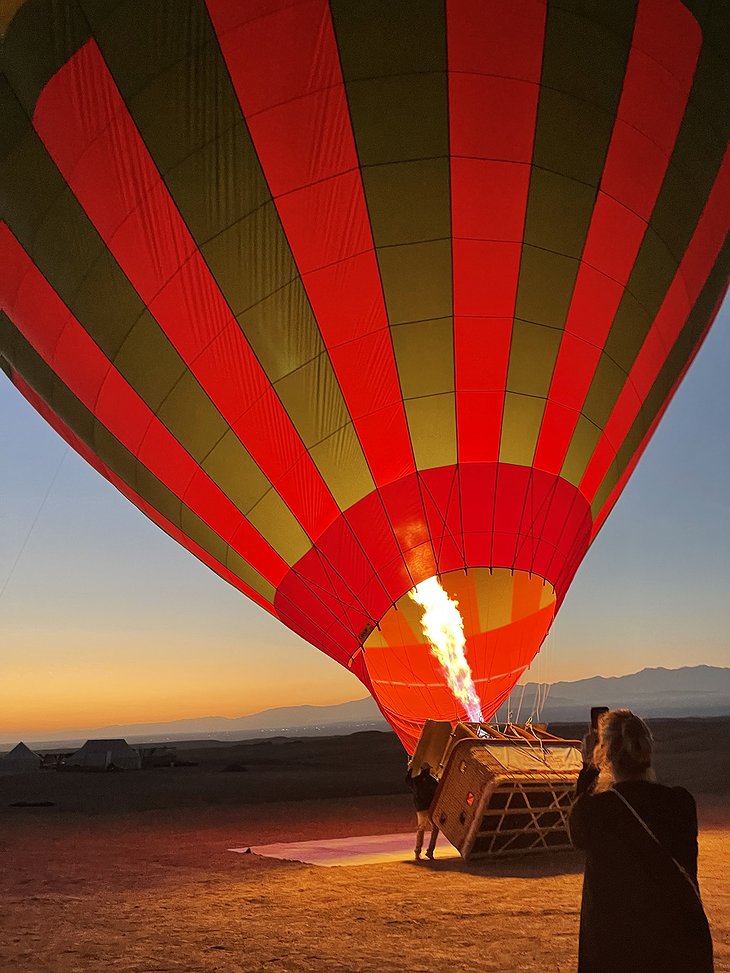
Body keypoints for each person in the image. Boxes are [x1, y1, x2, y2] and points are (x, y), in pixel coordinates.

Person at [569, 709, 713, 973]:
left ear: (606, 754)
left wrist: (590, 766)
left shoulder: (597, 812)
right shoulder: (681, 803)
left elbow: (577, 829)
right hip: (678, 946)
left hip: (618, 949)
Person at [406, 761, 439, 861]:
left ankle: (417, 851)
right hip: (430, 808)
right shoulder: (432, 781)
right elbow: (439, 789)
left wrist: (410, 769)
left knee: (421, 829)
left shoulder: (416, 781)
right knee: (435, 828)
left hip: (420, 808)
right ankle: (430, 851)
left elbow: (407, 780)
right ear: (428, 770)